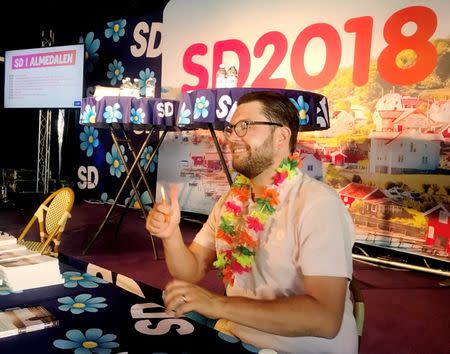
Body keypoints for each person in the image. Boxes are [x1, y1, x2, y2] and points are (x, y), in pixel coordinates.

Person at [146, 91, 357, 354]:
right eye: (231, 127)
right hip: (234, 333)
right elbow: (190, 271)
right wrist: (171, 235)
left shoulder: (318, 204)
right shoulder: (231, 199)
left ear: (281, 136)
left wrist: (216, 304)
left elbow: (325, 319)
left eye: (245, 126)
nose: (231, 137)